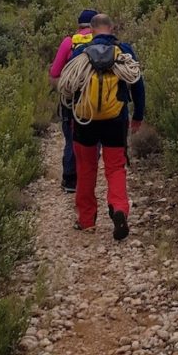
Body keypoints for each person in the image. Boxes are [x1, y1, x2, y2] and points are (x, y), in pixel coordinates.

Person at [64, 13, 144, 240]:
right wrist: (138, 115)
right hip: (115, 119)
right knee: (115, 167)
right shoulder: (124, 51)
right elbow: (137, 84)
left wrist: (71, 117)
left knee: (86, 168)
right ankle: (119, 208)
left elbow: (69, 88)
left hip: (84, 120)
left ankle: (86, 221)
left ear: (91, 29)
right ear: (112, 27)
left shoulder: (81, 53)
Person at [49, 9, 98, 193]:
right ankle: (89, 181)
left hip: (71, 101)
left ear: (78, 25)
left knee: (71, 138)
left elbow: (54, 73)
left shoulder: (69, 42)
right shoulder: (101, 43)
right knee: (93, 141)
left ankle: (70, 180)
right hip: (94, 102)